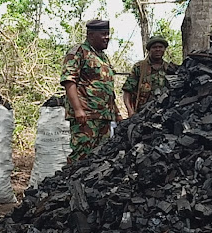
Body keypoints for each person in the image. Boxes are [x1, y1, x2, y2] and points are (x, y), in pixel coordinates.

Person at [60, 19, 121, 163]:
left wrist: (117, 114)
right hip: (86, 115)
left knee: (100, 156)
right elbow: (69, 81)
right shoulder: (79, 52)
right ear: (91, 35)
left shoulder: (103, 57)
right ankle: (69, 183)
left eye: (108, 34)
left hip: (104, 116)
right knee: (82, 154)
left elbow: (108, 89)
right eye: (103, 34)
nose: (107, 37)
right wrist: (78, 110)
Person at [122, 36, 179, 117]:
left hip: (164, 113)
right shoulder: (139, 67)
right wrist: (130, 111)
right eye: (154, 47)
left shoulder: (170, 68)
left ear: (164, 49)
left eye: (160, 47)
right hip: (142, 113)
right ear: (149, 50)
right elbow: (127, 91)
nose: (158, 49)